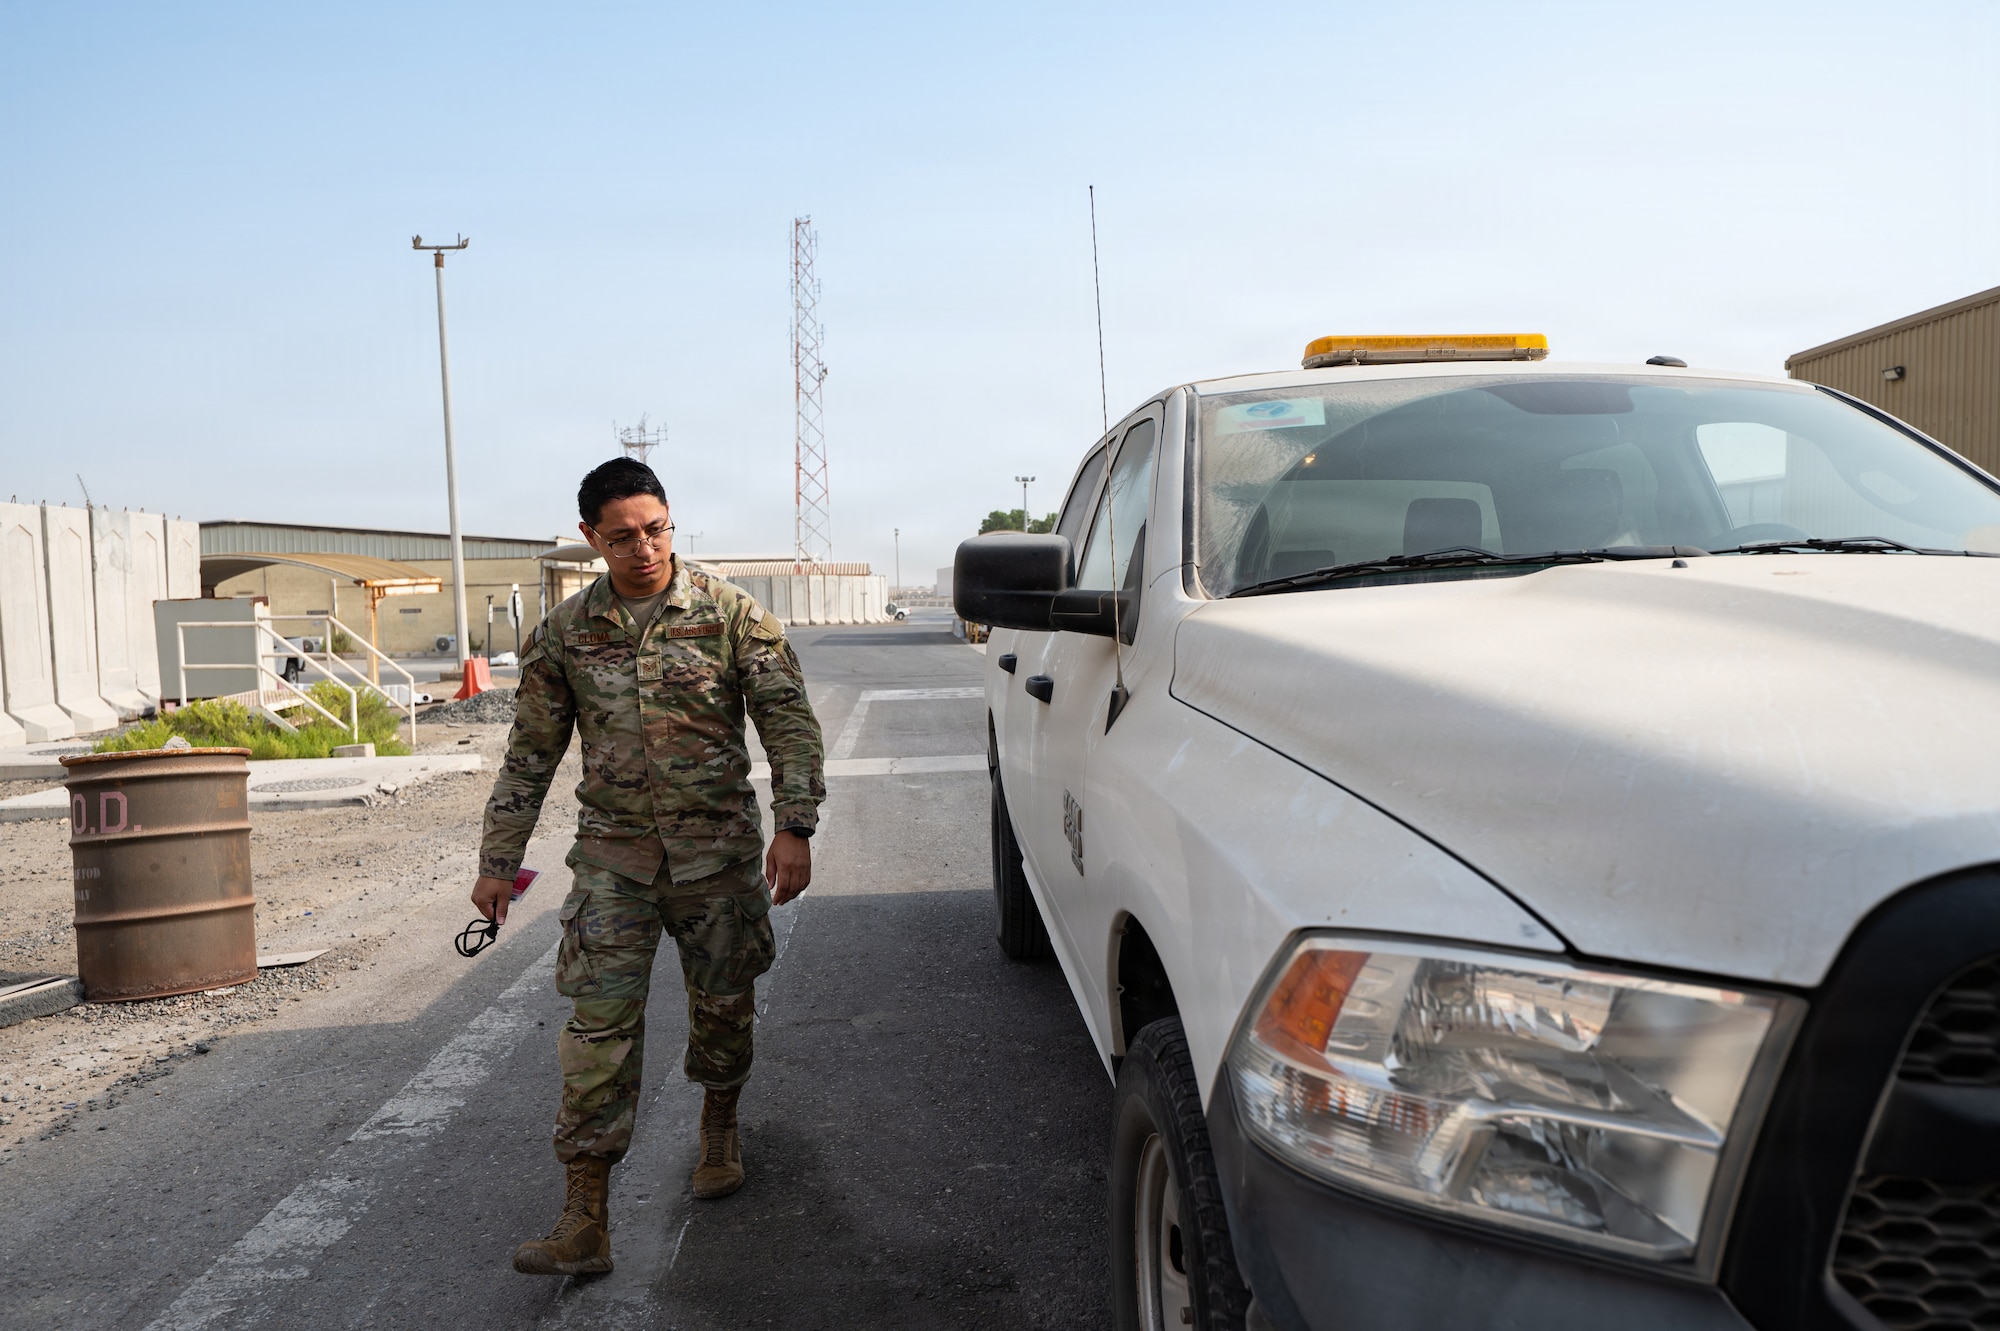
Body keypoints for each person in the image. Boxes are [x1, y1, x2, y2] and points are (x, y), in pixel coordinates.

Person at [469, 457, 826, 1277]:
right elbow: (530, 755)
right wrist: (499, 862)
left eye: (657, 528)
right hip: (613, 862)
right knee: (597, 1030)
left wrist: (794, 825)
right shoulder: (564, 634)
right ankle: (584, 1217)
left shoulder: (731, 614)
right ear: (592, 538)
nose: (645, 548)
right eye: (624, 535)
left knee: (724, 1009)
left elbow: (788, 724)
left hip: (718, 860)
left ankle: (720, 1125)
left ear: (672, 522)